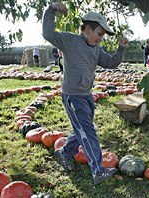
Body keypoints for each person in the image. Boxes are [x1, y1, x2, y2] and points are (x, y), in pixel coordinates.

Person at [42, 2, 128, 185]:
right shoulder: (70, 41)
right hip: (73, 96)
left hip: (86, 95)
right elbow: (48, 34)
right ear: (87, 29)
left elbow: (111, 62)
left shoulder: (96, 49)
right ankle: (98, 170)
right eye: (99, 34)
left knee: (80, 129)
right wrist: (50, 10)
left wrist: (121, 49)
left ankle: (65, 153)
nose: (101, 39)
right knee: (88, 132)